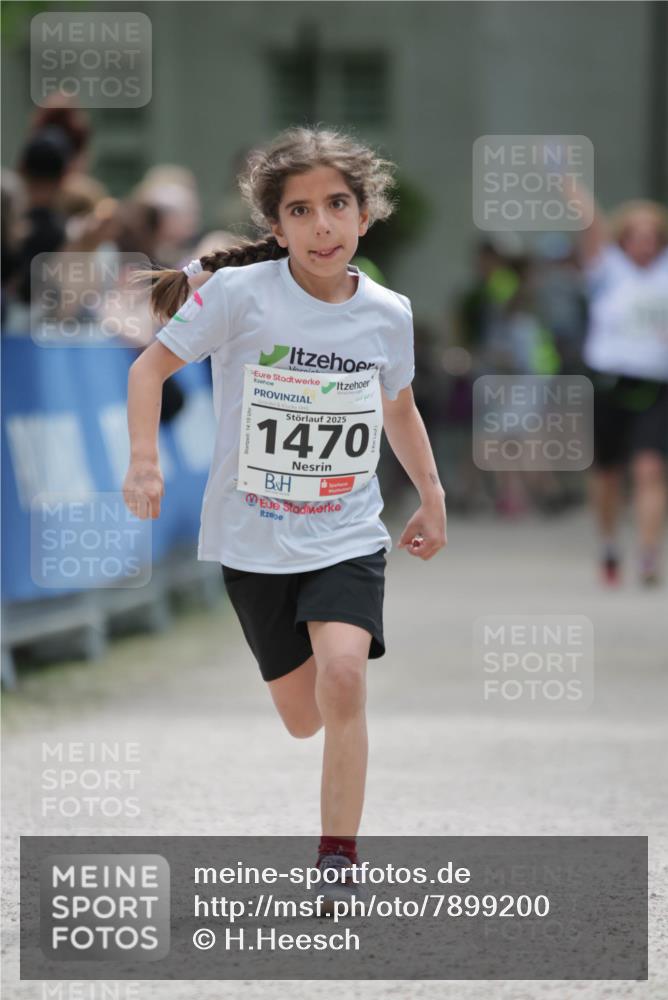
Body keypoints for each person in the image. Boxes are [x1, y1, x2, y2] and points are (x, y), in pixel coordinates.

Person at [122, 126, 447, 913]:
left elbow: (397, 408)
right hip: (253, 539)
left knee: (344, 678)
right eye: (301, 211)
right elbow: (148, 368)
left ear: (366, 216)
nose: (323, 225)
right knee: (304, 718)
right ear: (278, 229)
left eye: (338, 205)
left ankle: (337, 858)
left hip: (344, 531)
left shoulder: (387, 313)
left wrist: (433, 498)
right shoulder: (238, 298)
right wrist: (143, 460)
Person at [564, 175, 668, 586]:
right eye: (635, 234)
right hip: (608, 383)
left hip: (655, 386)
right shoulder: (608, 268)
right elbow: (592, 225)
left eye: (652, 235)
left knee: (649, 469)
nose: (644, 242)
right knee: (607, 474)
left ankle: (647, 554)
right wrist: (569, 186)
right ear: (624, 238)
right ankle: (609, 543)